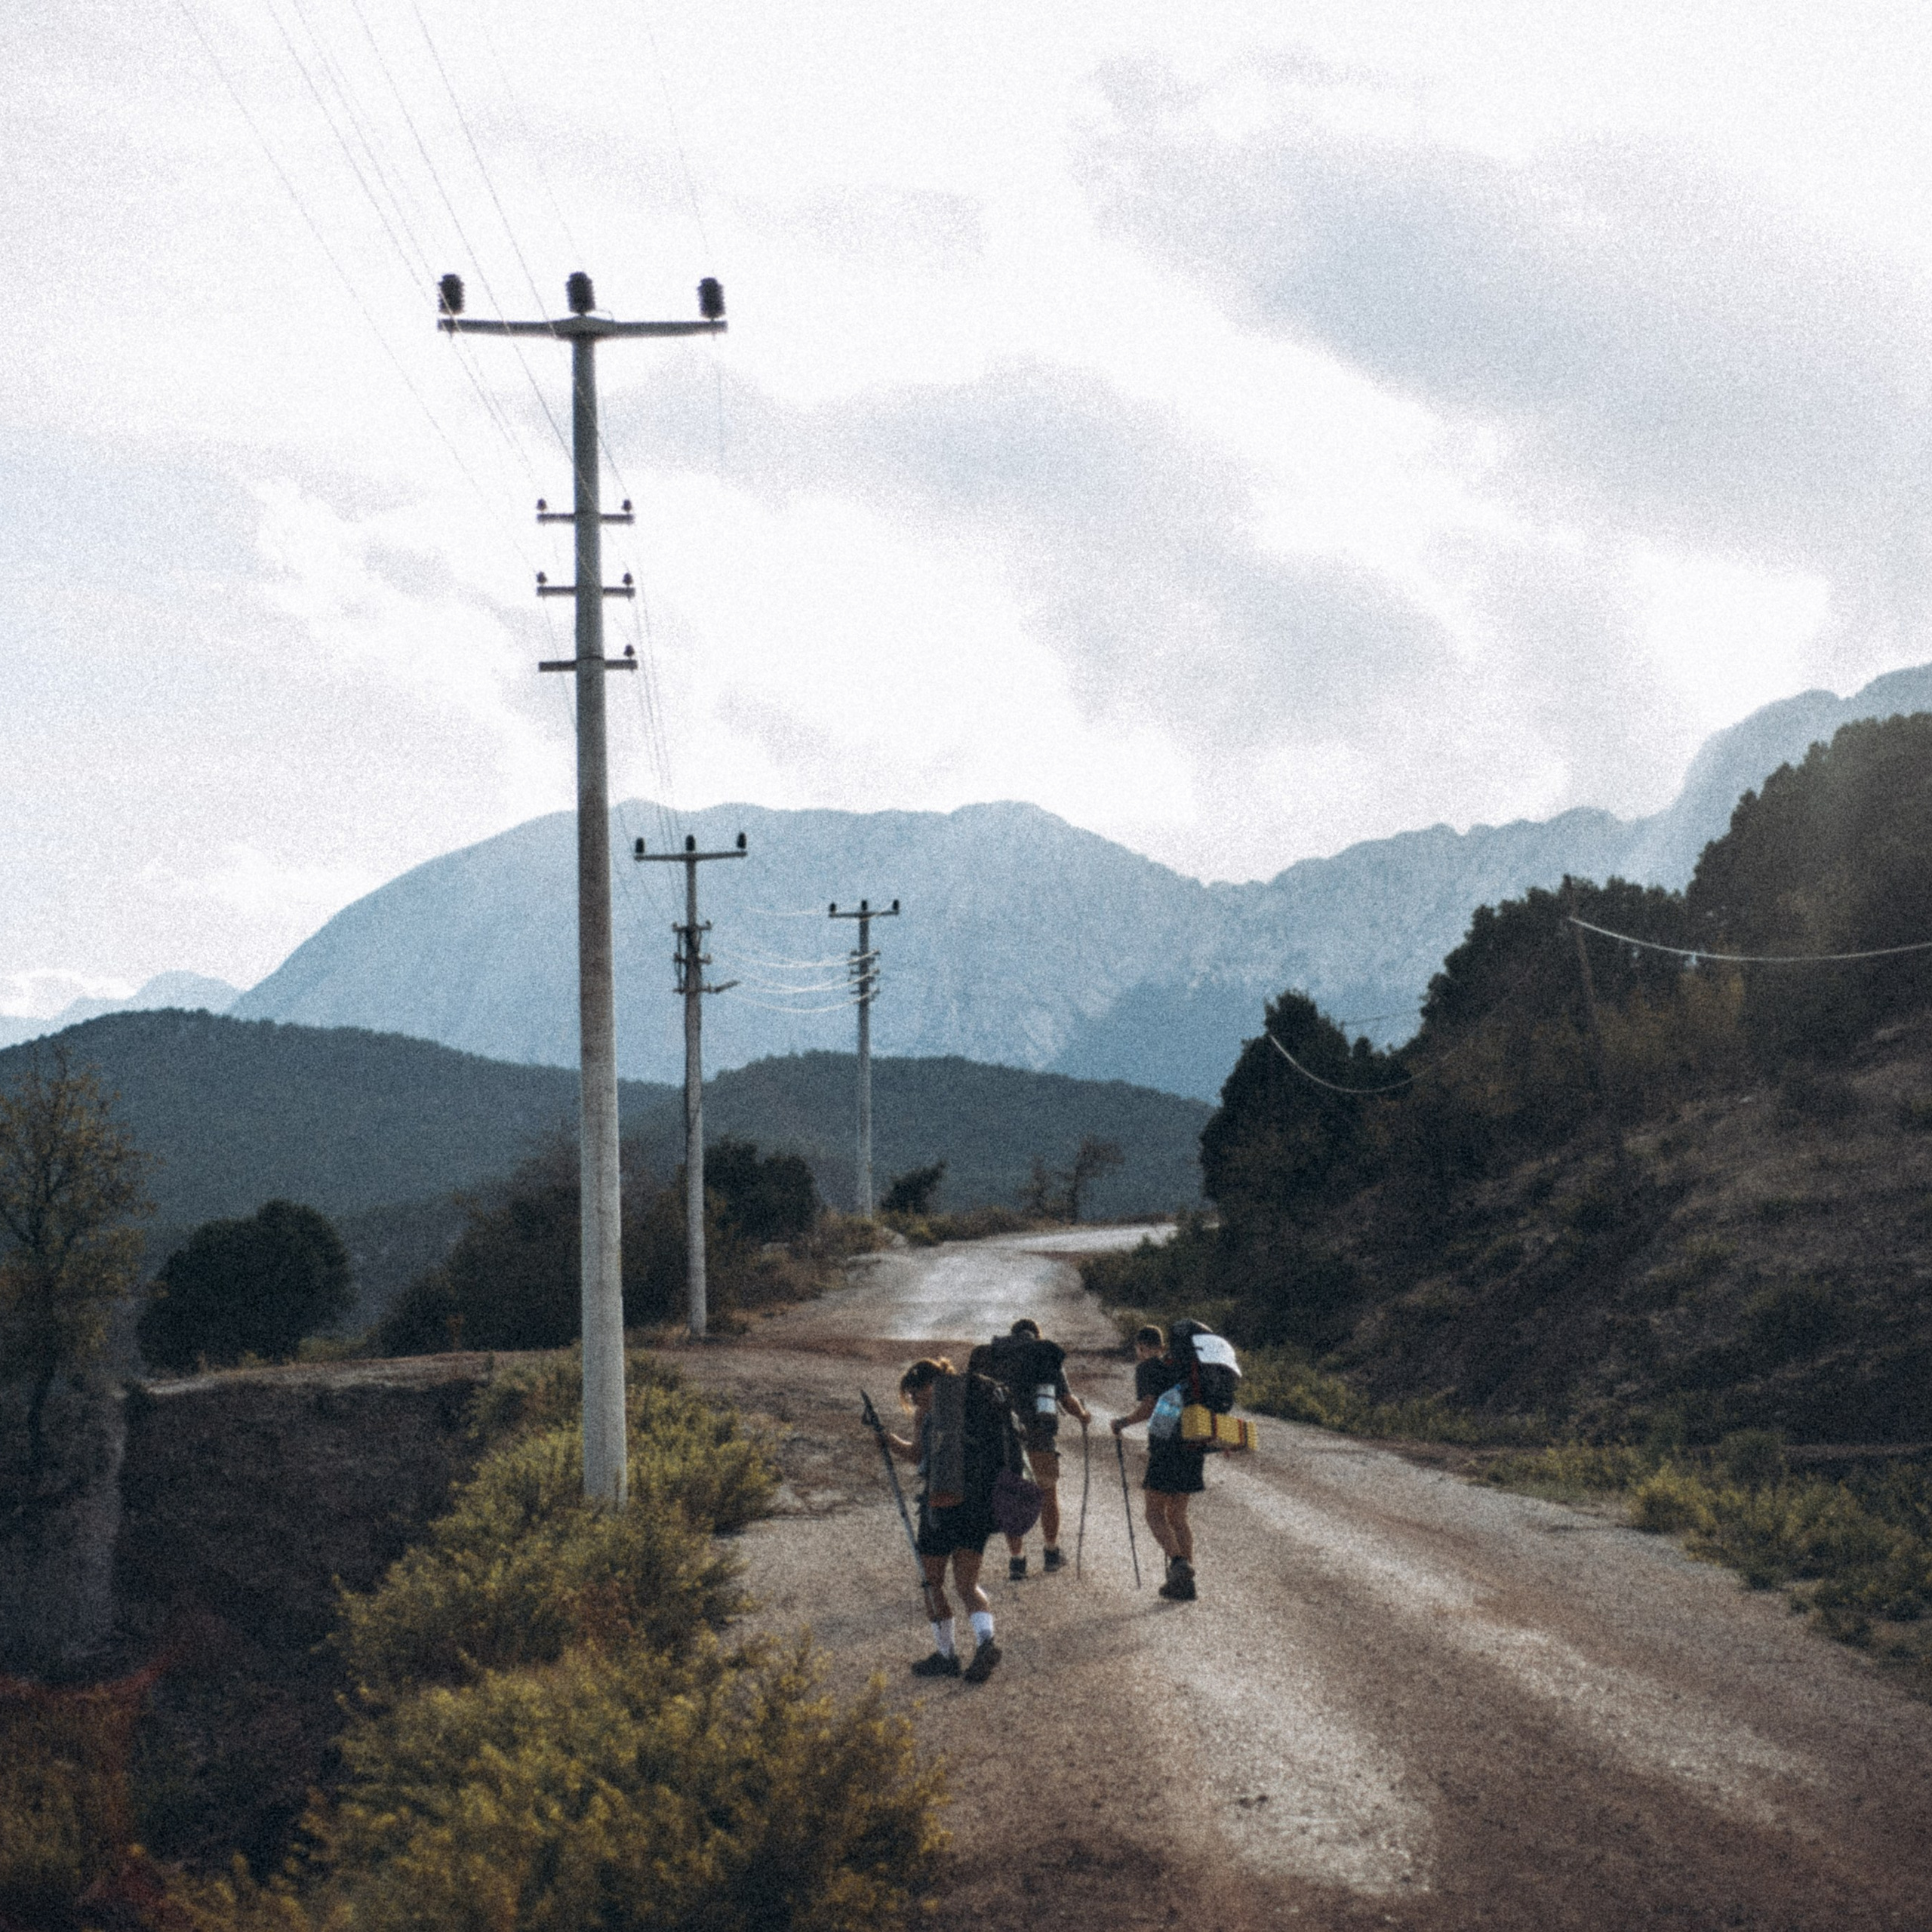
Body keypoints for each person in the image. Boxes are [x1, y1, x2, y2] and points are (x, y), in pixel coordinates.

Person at [884, 1357, 1004, 1681]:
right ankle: (986, 1642)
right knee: (967, 1585)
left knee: (932, 1583)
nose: (913, 1399)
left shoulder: (930, 1413)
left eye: (915, 1392)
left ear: (929, 1385)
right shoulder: (971, 1403)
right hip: (978, 1507)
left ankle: (946, 1655)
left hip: (940, 1507)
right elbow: (921, 1455)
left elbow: (917, 1456)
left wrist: (888, 1439)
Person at [986, 1318, 1091, 1580]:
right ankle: (1051, 1553)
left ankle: (1017, 1561)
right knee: (1047, 1494)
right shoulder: (1046, 1355)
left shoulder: (998, 1357)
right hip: (1040, 1434)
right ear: (1037, 1336)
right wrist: (1083, 1415)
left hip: (1007, 1437)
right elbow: (1066, 1399)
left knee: (1011, 1496)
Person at [1111, 1322, 1204, 1601]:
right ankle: (1185, 1585)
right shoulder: (1186, 1367)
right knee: (1178, 1517)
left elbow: (1149, 1406)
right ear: (1163, 1346)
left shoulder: (1147, 1368)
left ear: (1141, 1347)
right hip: (1193, 1445)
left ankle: (1179, 1564)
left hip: (1166, 1449)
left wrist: (1123, 1422)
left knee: (1153, 1514)